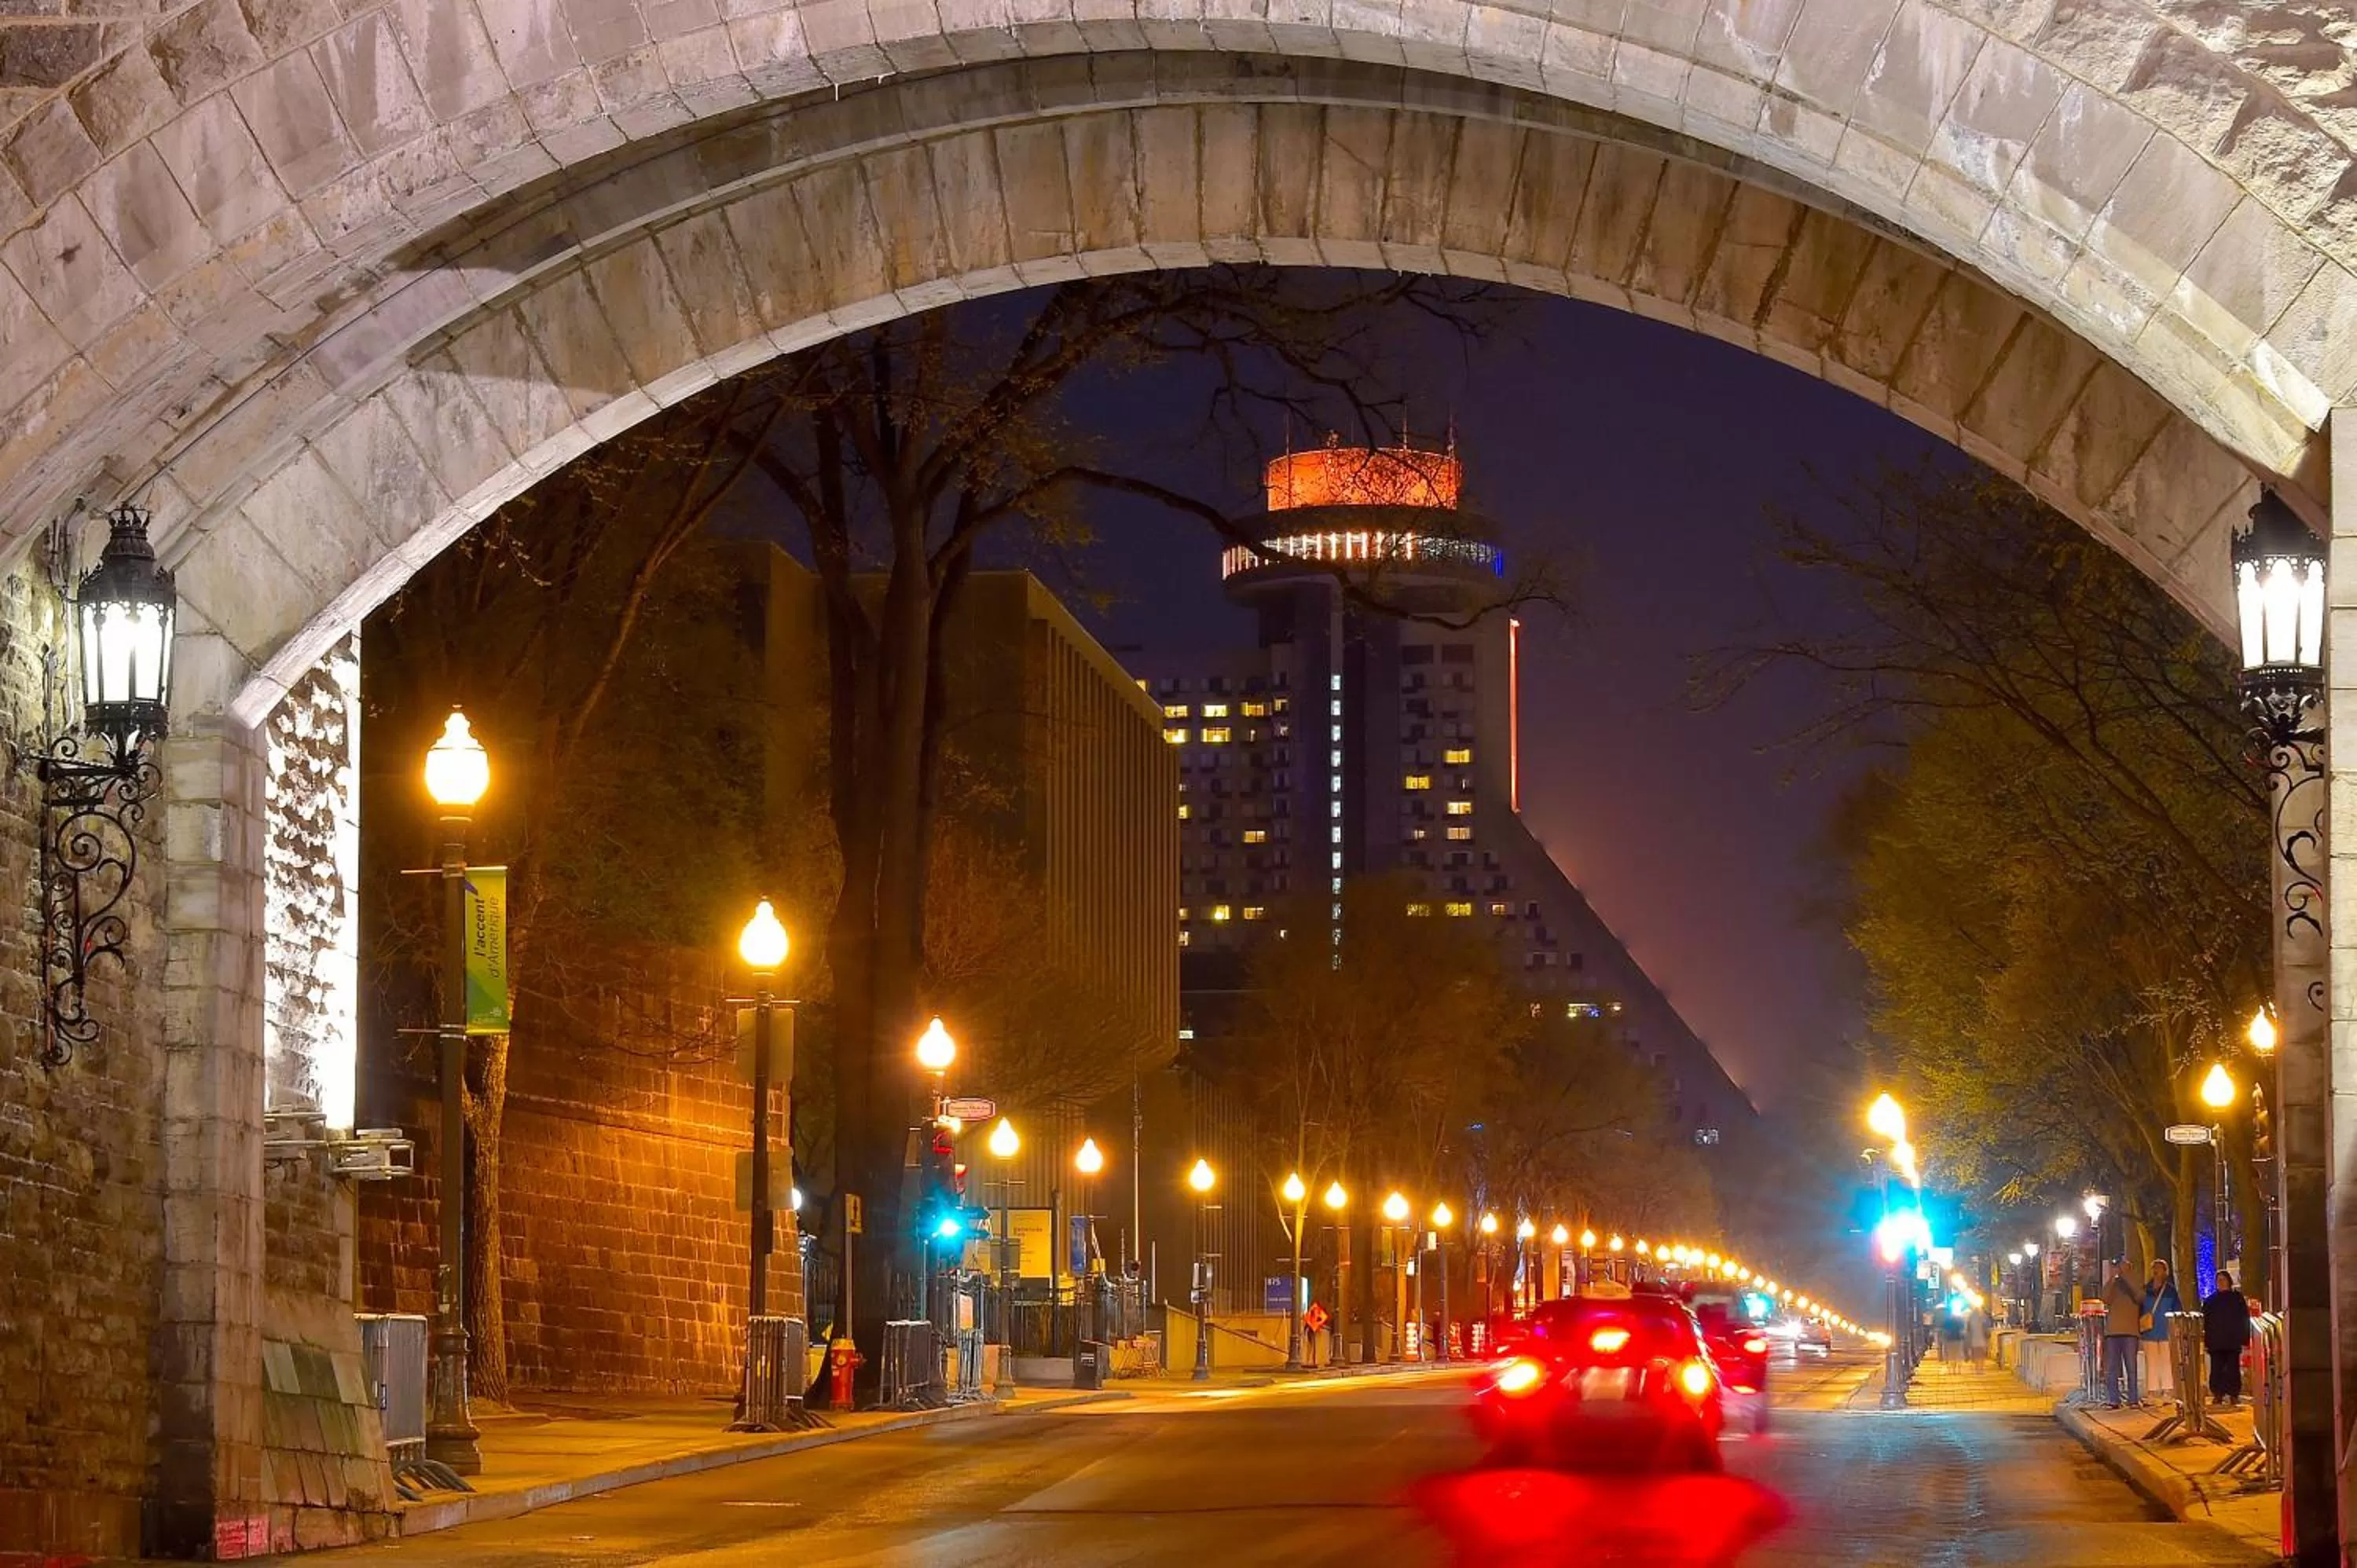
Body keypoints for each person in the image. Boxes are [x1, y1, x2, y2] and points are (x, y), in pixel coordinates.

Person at [2203, 1269, 2253, 1406]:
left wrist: (2244, 1338)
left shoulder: (2237, 1299)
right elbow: (2206, 1323)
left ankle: (2233, 1394)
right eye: (2218, 1280)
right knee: (2216, 1369)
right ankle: (2218, 1394)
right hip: (2216, 1341)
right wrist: (2207, 1341)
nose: (2220, 1282)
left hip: (2232, 1340)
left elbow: (2244, 1319)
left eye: (2223, 1279)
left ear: (2229, 1281)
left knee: (2233, 1369)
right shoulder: (2210, 1301)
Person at [2101, 1258, 2143, 1408]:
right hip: (2113, 1332)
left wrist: (2127, 1277)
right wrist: (2113, 1278)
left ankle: (2133, 1399)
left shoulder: (2135, 1281)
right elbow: (2105, 1298)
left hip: (2130, 1332)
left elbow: (2140, 1297)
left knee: (2131, 1368)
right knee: (2112, 1367)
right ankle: (2114, 1399)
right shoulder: (2114, 1284)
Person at [2141, 1258, 2182, 1401]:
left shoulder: (2171, 1291)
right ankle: (2152, 1390)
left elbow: (2177, 1309)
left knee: (2166, 1360)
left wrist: (2176, 1327)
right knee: (2151, 1361)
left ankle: (2167, 1389)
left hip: (2166, 1330)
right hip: (2149, 1331)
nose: (2156, 1271)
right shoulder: (2145, 1290)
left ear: (2165, 1272)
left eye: (2159, 1268)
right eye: (2154, 1268)